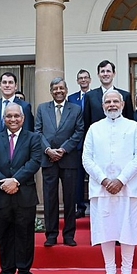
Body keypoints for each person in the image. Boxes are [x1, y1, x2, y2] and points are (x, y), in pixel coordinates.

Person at [82, 89, 137, 274]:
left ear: (123, 104)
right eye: (108, 102)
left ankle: (127, 273)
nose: (112, 105)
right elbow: (86, 158)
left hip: (128, 187)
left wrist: (121, 179)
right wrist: (103, 180)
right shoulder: (94, 128)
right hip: (102, 189)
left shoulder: (134, 127)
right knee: (106, 231)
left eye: (115, 101)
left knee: (128, 230)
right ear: (102, 106)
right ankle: (110, 272)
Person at [0, 103, 42, 274]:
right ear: (4, 119)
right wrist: (5, 182)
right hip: (2, 196)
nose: (13, 119)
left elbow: (35, 162)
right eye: (9, 116)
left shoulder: (33, 138)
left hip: (24, 195)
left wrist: (16, 180)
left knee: (25, 237)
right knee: (5, 237)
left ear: (23, 118)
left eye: (16, 116)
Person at [0, 72, 34, 244]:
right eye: (4, 82)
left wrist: (17, 177)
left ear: (16, 85)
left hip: (19, 163)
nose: (7, 85)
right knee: (0, 206)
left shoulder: (25, 106)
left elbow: (27, 137)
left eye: (10, 82)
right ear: (0, 85)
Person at [35, 77, 84, 247]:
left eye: (61, 88)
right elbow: (37, 132)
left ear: (66, 89)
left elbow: (79, 132)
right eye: (55, 88)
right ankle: (51, 235)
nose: (58, 91)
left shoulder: (76, 109)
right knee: (50, 199)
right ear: (51, 91)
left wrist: (63, 149)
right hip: (48, 159)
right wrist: (48, 150)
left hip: (68, 159)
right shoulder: (42, 108)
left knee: (70, 199)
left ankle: (69, 235)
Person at [83, 60, 134, 132]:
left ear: (114, 74)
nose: (105, 74)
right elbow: (87, 123)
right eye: (102, 71)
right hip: (98, 137)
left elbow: (130, 122)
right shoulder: (90, 96)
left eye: (108, 71)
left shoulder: (125, 96)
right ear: (98, 75)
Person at [68, 69, 91, 218]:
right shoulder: (71, 98)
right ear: (77, 81)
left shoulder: (95, 96)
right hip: (77, 143)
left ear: (89, 80)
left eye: (85, 78)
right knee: (77, 177)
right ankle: (80, 206)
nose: (83, 80)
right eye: (80, 78)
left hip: (93, 140)